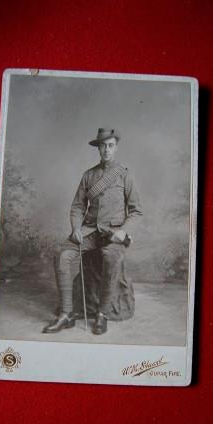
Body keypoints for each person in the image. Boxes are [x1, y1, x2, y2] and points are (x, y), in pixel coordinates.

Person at [42, 127, 143, 335]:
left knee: (111, 257)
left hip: (113, 235)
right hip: (89, 232)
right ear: (98, 148)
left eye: (110, 145)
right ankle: (66, 314)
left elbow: (136, 211)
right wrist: (76, 227)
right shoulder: (88, 176)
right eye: (103, 146)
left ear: (116, 148)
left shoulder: (125, 175)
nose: (106, 149)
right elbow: (78, 206)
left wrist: (124, 232)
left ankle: (102, 314)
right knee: (62, 255)